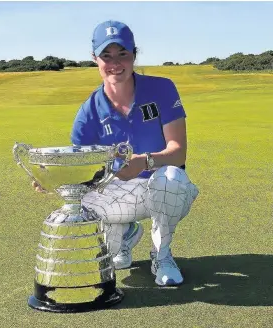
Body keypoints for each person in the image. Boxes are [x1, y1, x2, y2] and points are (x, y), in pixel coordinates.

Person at [35, 20, 199, 287]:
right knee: (80, 196)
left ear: (134, 54)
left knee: (172, 178)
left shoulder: (162, 88)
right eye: (106, 56)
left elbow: (178, 153)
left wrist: (145, 161)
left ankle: (162, 255)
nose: (115, 63)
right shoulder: (88, 111)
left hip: (159, 187)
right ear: (94, 59)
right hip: (116, 191)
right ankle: (123, 235)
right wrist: (53, 176)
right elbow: (82, 167)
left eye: (123, 54)